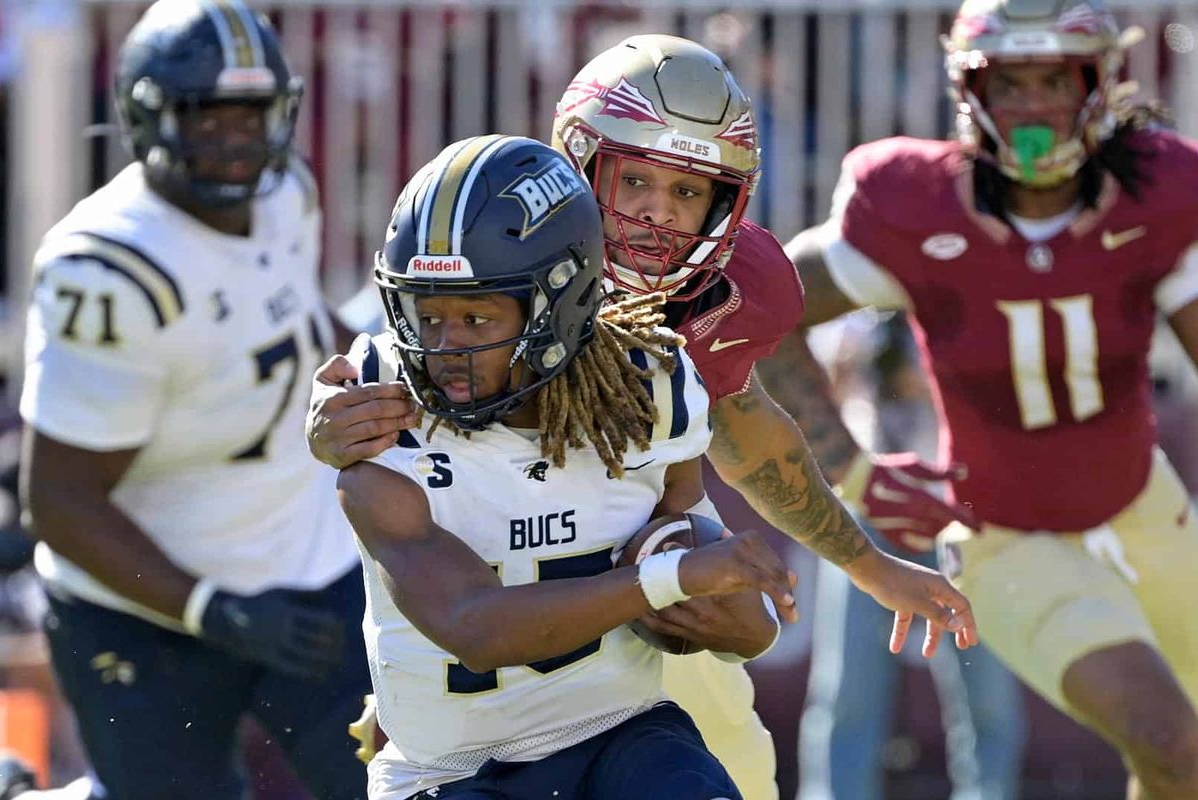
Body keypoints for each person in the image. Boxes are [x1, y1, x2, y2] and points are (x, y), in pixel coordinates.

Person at [308, 34, 978, 800]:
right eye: (636, 183)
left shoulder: (714, 310)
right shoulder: (493, 236)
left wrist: (866, 565)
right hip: (480, 645)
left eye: (688, 193)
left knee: (739, 771)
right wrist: (329, 414)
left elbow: (749, 435)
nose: (658, 219)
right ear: (577, 165)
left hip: (621, 658)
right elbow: (401, 332)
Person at [782, 0, 1198, 796]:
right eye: (1010, 82)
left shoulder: (1161, 191)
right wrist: (852, 472)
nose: (1034, 104)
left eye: (1053, 78)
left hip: (1147, 511)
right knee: (1165, 734)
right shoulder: (913, 205)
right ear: (972, 89)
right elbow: (760, 317)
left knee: (1180, 755)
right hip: (1003, 536)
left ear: (1097, 81)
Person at [341, 133, 798, 800]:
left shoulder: (650, 391)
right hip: (455, 771)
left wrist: (737, 609)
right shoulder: (377, 414)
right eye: (426, 314)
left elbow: (739, 628)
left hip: (620, 737)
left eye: (475, 315)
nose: (444, 348)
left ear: (562, 301)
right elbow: (475, 628)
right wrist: (664, 578)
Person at [14, 1, 370, 798]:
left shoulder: (286, 196)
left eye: (249, 117)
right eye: (207, 118)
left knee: (399, 784)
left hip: (307, 566)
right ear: (147, 117)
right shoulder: (108, 269)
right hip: (145, 610)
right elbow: (60, 501)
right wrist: (210, 609)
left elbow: (296, 325)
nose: (235, 142)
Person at [773, 317, 1025, 800]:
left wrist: (932, 375)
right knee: (848, 687)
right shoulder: (854, 306)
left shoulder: (966, 303)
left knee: (984, 692)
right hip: (866, 513)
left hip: (962, 513)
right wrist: (850, 365)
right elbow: (804, 394)